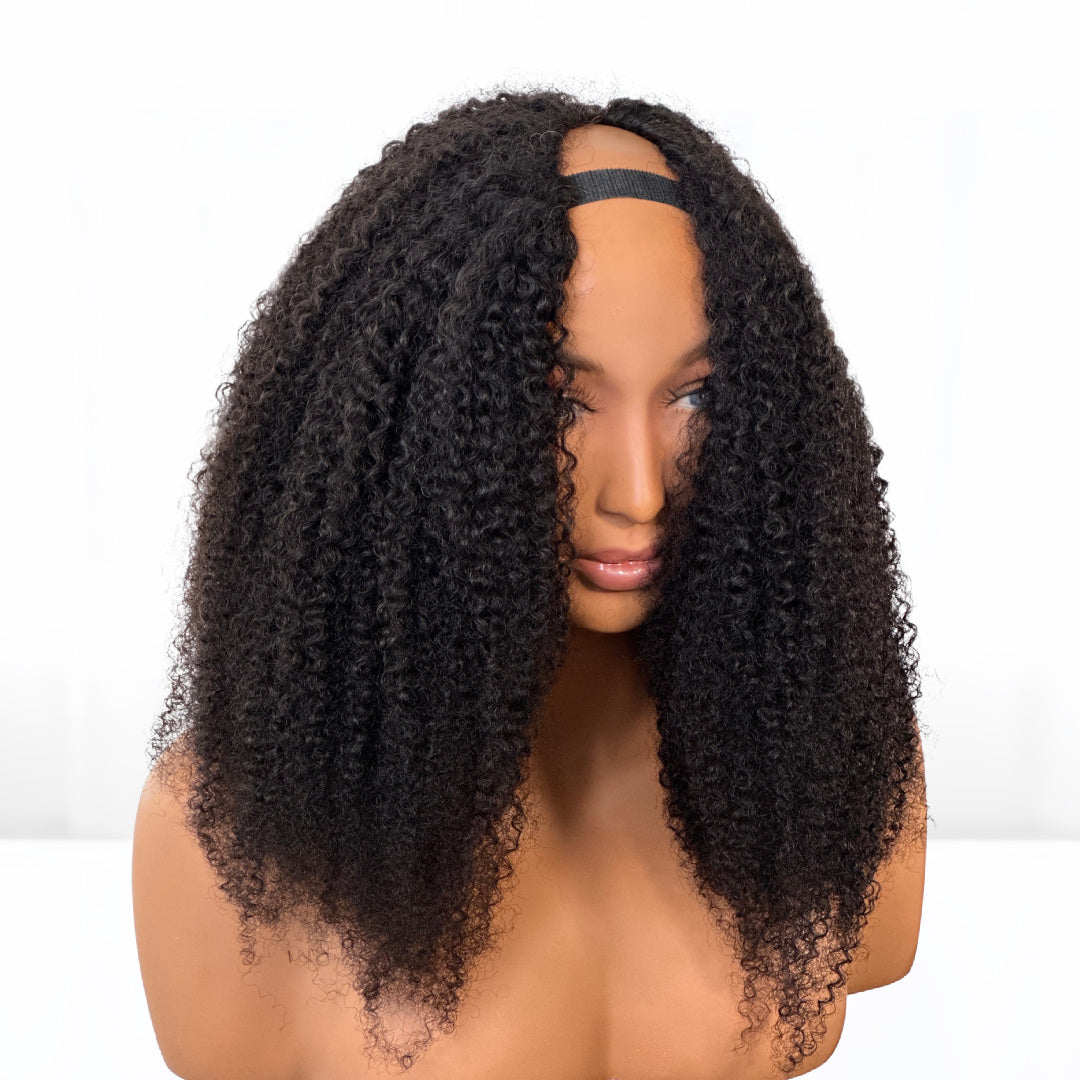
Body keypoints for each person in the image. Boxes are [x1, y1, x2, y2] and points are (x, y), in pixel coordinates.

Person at [132, 89, 928, 1080]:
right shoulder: (226, 841)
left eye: (694, 395)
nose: (639, 492)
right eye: (561, 404)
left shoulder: (835, 775)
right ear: (406, 424)